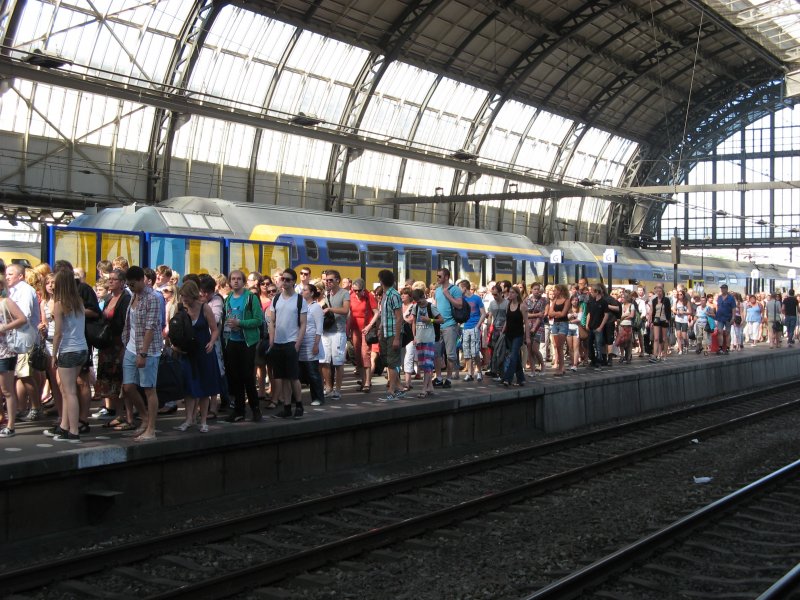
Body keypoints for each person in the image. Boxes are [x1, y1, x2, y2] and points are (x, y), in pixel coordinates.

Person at [46, 269, 89, 442]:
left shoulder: (59, 303)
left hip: (68, 349)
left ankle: (73, 431)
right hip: (82, 348)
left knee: (69, 391)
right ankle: (64, 426)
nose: (52, 284)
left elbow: (58, 333)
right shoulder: (78, 301)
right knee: (66, 389)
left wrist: (54, 354)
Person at [173, 280, 221, 433]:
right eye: (182, 296)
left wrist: (212, 342)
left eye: (187, 296)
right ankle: (188, 419)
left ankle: (204, 420)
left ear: (193, 295)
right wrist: (175, 344)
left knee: (204, 387)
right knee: (188, 387)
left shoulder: (204, 307)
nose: (184, 299)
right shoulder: (181, 309)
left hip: (203, 350)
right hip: (187, 352)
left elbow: (214, 329)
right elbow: (175, 329)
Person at [121, 266, 162, 442]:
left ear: (141, 280)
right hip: (130, 346)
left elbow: (151, 327)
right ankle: (144, 417)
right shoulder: (133, 296)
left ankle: (151, 428)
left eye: (133, 284)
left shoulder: (152, 298)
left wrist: (143, 353)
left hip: (148, 350)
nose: (131, 287)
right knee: (128, 386)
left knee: (149, 389)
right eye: (128, 285)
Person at [222, 270, 264, 422]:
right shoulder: (228, 299)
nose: (235, 281)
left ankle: (255, 409)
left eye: (239, 279)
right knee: (235, 377)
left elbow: (258, 320)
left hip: (247, 342)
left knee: (247, 376)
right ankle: (239, 410)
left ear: (244, 282)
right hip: (232, 341)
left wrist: (241, 323)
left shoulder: (251, 298)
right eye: (233, 279)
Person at [267, 268, 307, 419]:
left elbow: (303, 324)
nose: (284, 282)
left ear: (293, 282)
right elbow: (272, 321)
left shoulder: (299, 300)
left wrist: (298, 343)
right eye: (283, 279)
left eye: (288, 279)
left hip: (291, 341)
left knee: (293, 377)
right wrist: (272, 339)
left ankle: (299, 405)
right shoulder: (276, 299)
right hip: (278, 342)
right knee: (282, 376)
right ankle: (287, 407)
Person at [5, 263, 42, 421]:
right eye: (6, 274)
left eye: (10, 274)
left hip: (24, 338)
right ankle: (21, 407)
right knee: (17, 375)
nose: (7, 277)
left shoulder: (26, 290)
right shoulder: (10, 290)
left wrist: (5, 321)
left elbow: (24, 315)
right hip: (12, 339)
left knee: (25, 374)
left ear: (20, 276)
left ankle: (36, 407)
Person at [94, 269, 130, 422]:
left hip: (119, 344)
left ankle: (123, 415)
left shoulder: (125, 298)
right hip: (107, 344)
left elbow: (125, 324)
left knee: (119, 380)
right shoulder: (109, 298)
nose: (110, 281)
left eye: (114, 279)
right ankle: (114, 411)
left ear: (122, 282)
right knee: (110, 380)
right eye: (110, 279)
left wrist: (124, 347)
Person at [365, 269, 403, 401]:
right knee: (388, 361)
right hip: (386, 332)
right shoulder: (386, 294)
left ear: (382, 281)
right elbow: (386, 315)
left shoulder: (393, 295)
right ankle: (399, 387)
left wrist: (397, 338)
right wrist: (380, 329)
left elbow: (399, 317)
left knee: (392, 362)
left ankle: (391, 390)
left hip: (392, 333)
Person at [0, 279, 28, 437]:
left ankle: (10, 425)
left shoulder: (6, 302)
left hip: (5, 351)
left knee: (6, 390)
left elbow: (22, 318)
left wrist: (4, 327)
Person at [320, 270, 350, 401]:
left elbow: (345, 310)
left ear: (338, 280)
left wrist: (330, 309)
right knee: (325, 361)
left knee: (338, 362)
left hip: (338, 331)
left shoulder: (344, 293)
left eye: (330, 280)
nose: (328, 282)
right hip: (326, 331)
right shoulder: (326, 294)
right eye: (326, 280)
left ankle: (338, 389)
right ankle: (328, 387)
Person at [433, 268, 463, 388]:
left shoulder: (455, 289)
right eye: (437, 276)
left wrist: (448, 295)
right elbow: (436, 305)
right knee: (436, 353)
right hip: (438, 324)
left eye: (439, 276)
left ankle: (449, 378)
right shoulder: (437, 290)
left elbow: (459, 305)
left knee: (450, 354)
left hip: (450, 324)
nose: (438, 278)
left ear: (446, 277)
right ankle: (439, 377)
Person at [411, 288, 442, 398]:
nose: (419, 303)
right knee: (423, 365)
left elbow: (441, 320)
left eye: (420, 301)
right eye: (417, 302)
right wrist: (414, 336)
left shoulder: (431, 307)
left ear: (424, 297)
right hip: (419, 339)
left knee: (428, 365)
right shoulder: (415, 307)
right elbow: (414, 322)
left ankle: (424, 389)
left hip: (429, 339)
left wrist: (430, 320)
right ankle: (430, 387)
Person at [348, 278, 377, 394]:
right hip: (355, 329)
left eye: (358, 290)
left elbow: (376, 312)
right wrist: (348, 329)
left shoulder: (369, 296)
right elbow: (350, 314)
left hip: (365, 330)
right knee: (358, 356)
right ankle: (363, 380)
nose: (356, 293)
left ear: (363, 289)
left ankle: (367, 383)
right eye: (354, 290)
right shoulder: (351, 296)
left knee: (365, 355)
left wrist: (369, 325)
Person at [499, 286, 529, 387]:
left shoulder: (522, 306)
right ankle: (521, 379)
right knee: (515, 357)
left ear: (517, 294)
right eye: (510, 292)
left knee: (513, 356)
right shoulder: (508, 305)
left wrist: (527, 337)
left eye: (512, 293)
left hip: (518, 335)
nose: (510, 294)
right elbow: (507, 320)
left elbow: (526, 322)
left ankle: (507, 378)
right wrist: (502, 331)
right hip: (509, 334)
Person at [458, 279, 485, 382]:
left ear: (464, 288)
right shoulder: (461, 299)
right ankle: (470, 372)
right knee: (466, 351)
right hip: (465, 327)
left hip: (474, 326)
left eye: (460, 288)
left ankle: (479, 371)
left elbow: (483, 313)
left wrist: (478, 325)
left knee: (475, 351)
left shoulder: (476, 299)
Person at [546, 284, 569, 376]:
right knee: (556, 346)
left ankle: (561, 366)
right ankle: (561, 366)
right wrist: (557, 313)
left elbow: (563, 314)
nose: (554, 292)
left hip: (563, 324)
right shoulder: (555, 300)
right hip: (555, 324)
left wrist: (556, 313)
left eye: (556, 290)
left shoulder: (566, 300)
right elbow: (550, 313)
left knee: (560, 345)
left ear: (561, 291)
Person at [586, 285, 610, 369]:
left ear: (597, 292)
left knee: (598, 344)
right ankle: (592, 359)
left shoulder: (603, 302)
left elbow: (606, 315)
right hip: (591, 326)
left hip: (598, 326)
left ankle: (599, 361)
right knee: (589, 344)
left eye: (592, 292)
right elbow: (589, 314)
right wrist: (587, 324)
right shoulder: (591, 302)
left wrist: (601, 327)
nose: (591, 294)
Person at [648, 286, 671, 362]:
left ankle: (664, 354)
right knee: (656, 338)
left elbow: (668, 310)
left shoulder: (666, 300)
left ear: (662, 292)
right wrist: (651, 321)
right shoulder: (654, 300)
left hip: (664, 319)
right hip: (656, 320)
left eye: (660, 291)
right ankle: (655, 354)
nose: (659, 293)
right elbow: (653, 311)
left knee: (664, 338)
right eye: (657, 291)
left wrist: (668, 319)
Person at [714, 284, 736, 354]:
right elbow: (718, 306)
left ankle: (727, 348)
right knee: (719, 332)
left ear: (726, 289)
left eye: (723, 288)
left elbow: (734, 308)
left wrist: (733, 317)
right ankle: (720, 348)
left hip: (728, 317)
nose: (722, 290)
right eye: (721, 289)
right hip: (720, 317)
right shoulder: (719, 297)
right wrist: (716, 315)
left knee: (727, 332)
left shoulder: (731, 298)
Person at [566, 294, 583, 372]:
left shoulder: (580, 308)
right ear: (571, 301)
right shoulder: (568, 308)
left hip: (576, 328)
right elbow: (565, 317)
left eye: (576, 300)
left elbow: (579, 319)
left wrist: (570, 319)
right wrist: (572, 317)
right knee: (570, 348)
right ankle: (572, 363)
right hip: (568, 328)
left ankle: (575, 364)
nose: (575, 301)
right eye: (573, 300)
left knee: (576, 347)